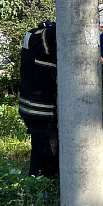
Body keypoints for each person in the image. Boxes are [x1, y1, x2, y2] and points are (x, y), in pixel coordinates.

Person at [19, 21, 59, 178]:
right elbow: (59, 30)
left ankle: (36, 177)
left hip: (31, 105)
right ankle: (47, 181)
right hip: (40, 107)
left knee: (38, 146)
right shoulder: (42, 39)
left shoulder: (31, 36)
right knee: (49, 148)